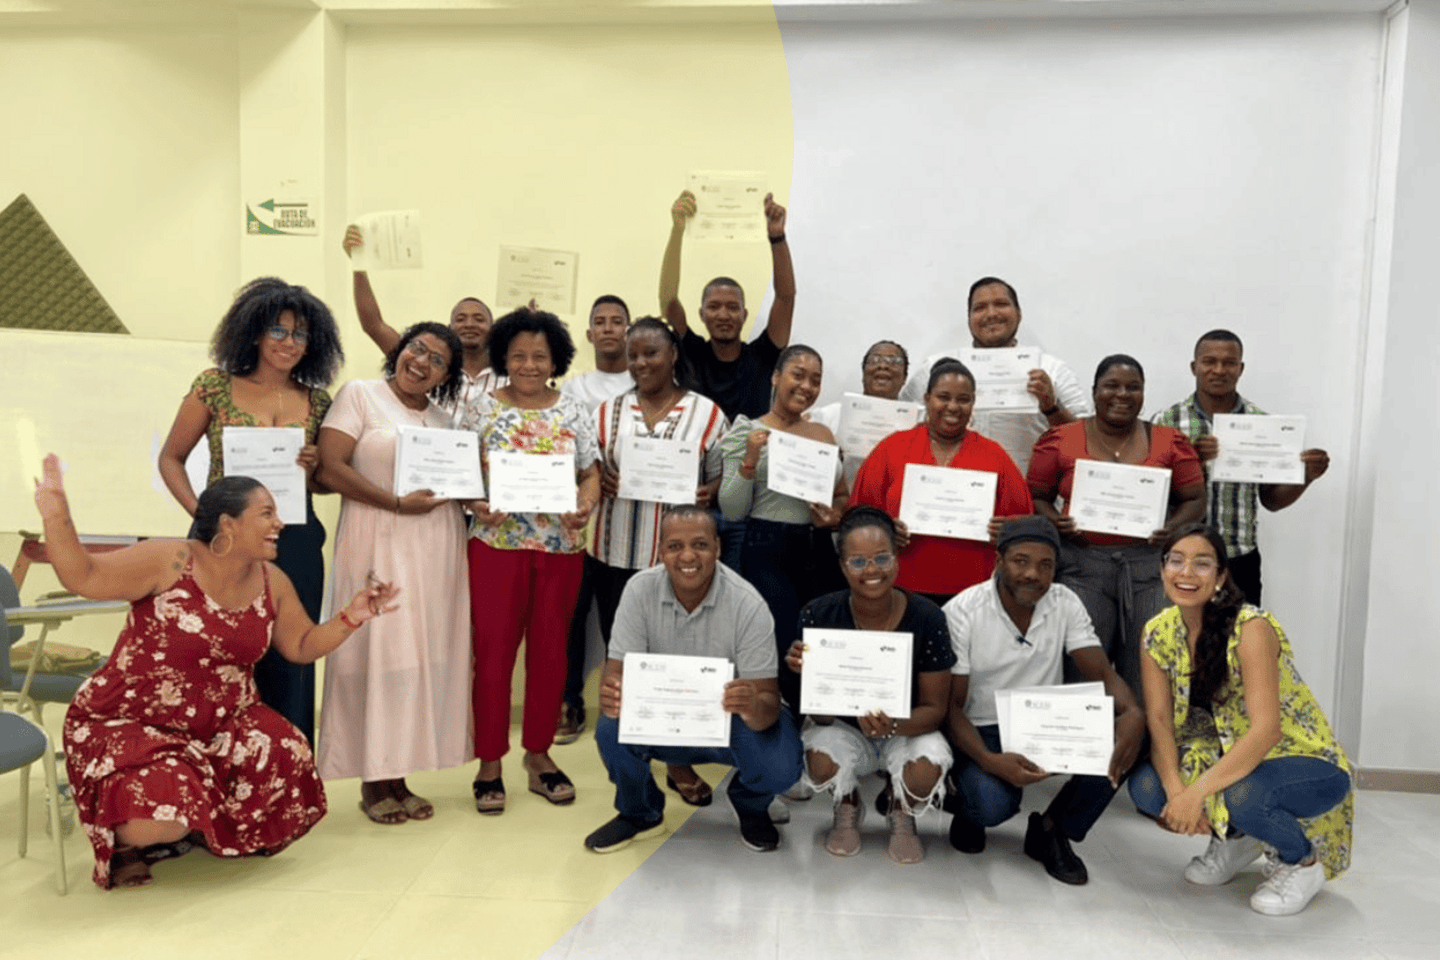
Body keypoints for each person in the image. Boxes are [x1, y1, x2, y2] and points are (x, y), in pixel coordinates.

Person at [38, 458, 400, 889]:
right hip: (131, 720)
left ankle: (200, 822)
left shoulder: (272, 580)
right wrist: (58, 516)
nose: (279, 523)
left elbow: (301, 645)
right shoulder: (169, 559)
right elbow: (86, 576)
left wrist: (352, 616)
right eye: (266, 513)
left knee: (286, 747)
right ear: (228, 524)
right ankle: (127, 842)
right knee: (159, 823)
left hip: (222, 722)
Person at [1128, 523, 1353, 916]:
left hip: (1301, 759)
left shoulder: (1251, 627)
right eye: (1176, 561)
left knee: (1244, 796)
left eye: (1202, 564)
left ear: (1220, 577)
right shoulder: (1157, 632)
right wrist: (1177, 792)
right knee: (1148, 787)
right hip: (1224, 755)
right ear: (1162, 569)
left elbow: (1267, 730)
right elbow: (1160, 721)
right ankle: (1237, 840)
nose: (1186, 573)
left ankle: (1301, 862)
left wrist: (1196, 794)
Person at [158, 277, 343, 743]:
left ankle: (287, 777)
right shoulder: (214, 386)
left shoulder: (317, 400)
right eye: (278, 331)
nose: (288, 343)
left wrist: (315, 466)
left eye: (300, 334)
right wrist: (202, 513)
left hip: (295, 538)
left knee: (291, 655)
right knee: (220, 651)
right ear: (255, 332)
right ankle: (217, 774)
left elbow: (319, 486)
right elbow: (170, 459)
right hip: (222, 541)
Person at [315, 322, 473, 825]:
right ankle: (371, 778)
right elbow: (330, 466)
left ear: (446, 375)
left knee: (416, 655)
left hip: (435, 543)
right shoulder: (359, 395)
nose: (421, 362)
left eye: (437, 360)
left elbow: (459, 483)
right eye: (416, 349)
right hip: (377, 534)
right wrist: (395, 503)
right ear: (400, 350)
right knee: (376, 650)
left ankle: (399, 772)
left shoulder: (448, 421)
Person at [584, 506, 803, 854]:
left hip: (729, 723)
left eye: (700, 544)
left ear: (717, 548)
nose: (687, 556)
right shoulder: (638, 591)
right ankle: (640, 812)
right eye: (675, 546)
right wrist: (613, 695)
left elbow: (768, 705)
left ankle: (750, 805)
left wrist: (751, 705)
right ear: (661, 551)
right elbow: (616, 674)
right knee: (610, 728)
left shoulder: (749, 604)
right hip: (661, 719)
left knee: (782, 763)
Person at [943, 516, 1145, 885]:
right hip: (982, 729)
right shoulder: (962, 611)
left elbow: (1101, 672)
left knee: (1125, 740)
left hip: (1045, 725)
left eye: (1045, 565)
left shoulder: (1064, 601)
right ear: (999, 560)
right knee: (992, 805)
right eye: (1021, 561)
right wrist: (990, 761)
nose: (1033, 574)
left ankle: (1054, 829)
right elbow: (951, 708)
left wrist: (1132, 712)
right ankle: (970, 809)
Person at [459, 308, 601, 814]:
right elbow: (461, 476)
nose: (528, 364)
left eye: (539, 356)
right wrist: (476, 503)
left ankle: (538, 755)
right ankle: (490, 762)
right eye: (518, 355)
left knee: (551, 654)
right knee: (493, 657)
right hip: (496, 548)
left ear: (556, 359)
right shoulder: (479, 410)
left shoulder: (574, 411)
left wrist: (584, 505)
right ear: (503, 357)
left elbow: (590, 473)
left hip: (560, 550)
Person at [588, 317, 730, 804]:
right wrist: (596, 481)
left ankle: (677, 760)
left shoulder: (707, 414)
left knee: (676, 664)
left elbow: (723, 485)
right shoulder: (606, 412)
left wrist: (712, 490)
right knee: (624, 662)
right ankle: (632, 768)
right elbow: (588, 469)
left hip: (682, 567)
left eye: (651, 352)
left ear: (672, 354)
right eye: (634, 355)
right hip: (616, 555)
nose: (641, 363)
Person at [786, 507, 955, 864]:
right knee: (819, 761)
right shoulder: (818, 615)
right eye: (859, 561)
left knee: (927, 768)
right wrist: (809, 675)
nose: (872, 570)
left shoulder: (927, 616)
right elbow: (821, 717)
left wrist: (893, 725)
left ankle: (901, 808)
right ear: (843, 566)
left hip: (906, 728)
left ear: (897, 559)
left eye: (881, 558)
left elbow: (936, 710)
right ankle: (847, 804)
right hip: (846, 729)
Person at [1027, 354, 1206, 691]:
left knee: (1148, 668)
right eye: (1112, 386)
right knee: (1080, 668)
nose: (1122, 394)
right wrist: (1053, 519)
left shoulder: (1169, 442)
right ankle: (1083, 742)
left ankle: (1139, 744)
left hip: (1149, 570)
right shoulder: (1062, 439)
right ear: (1095, 391)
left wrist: (1174, 529)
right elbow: (1035, 496)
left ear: (1143, 393)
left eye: (1132, 387)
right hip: (1081, 567)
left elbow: (1195, 498)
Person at [1152, 329, 1330, 604]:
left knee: (1242, 643)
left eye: (1229, 363)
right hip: (1181, 559)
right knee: (1177, 642)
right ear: (1194, 366)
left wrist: (1305, 477)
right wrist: (1192, 463)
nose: (1219, 370)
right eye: (1209, 361)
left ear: (1241, 368)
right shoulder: (1166, 422)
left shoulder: (1264, 425)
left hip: (1237, 558)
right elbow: (1153, 495)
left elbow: (1271, 500)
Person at [719, 344, 847, 709]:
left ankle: (816, 729)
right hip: (767, 546)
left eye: (816, 380)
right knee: (779, 643)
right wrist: (750, 459)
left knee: (819, 642)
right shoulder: (749, 430)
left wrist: (835, 515)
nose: (807, 386)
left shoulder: (823, 434)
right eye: (798, 375)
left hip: (818, 548)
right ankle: (776, 729)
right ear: (776, 377)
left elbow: (841, 493)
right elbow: (731, 508)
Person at [849, 359, 1034, 608]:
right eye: (943, 397)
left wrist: (1009, 531)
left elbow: (1028, 525)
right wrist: (884, 528)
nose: (953, 407)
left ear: (973, 404)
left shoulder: (994, 456)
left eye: (964, 399)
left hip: (974, 595)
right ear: (927, 398)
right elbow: (857, 516)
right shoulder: (892, 449)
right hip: (899, 590)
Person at [900, 277, 1091, 474]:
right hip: (949, 493)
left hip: (1024, 496)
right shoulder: (934, 368)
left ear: (1019, 313)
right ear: (969, 318)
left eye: (1001, 304)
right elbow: (900, 426)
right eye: (980, 307)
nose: (991, 314)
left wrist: (1052, 407)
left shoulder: (1052, 370)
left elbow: (1085, 444)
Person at [557, 294, 635, 745]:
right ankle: (569, 702)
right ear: (588, 334)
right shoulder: (573, 389)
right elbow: (557, 445)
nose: (608, 328)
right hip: (573, 522)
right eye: (599, 322)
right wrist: (587, 479)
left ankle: (624, 708)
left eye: (617, 321)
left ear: (628, 329)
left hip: (625, 527)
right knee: (570, 617)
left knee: (618, 621)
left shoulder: (643, 382)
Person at [658, 189, 795, 422]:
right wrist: (678, 228)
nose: (723, 314)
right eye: (714, 307)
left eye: (733, 307)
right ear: (701, 314)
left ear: (744, 315)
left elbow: (786, 297)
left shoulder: (763, 355)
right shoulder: (691, 353)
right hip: (698, 454)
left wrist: (777, 237)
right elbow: (669, 301)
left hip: (750, 454)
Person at [342, 223, 503, 414]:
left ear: (493, 328)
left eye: (478, 319)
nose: (469, 324)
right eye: (460, 319)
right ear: (449, 328)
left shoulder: (511, 371)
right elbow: (373, 325)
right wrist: (358, 263)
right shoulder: (424, 361)